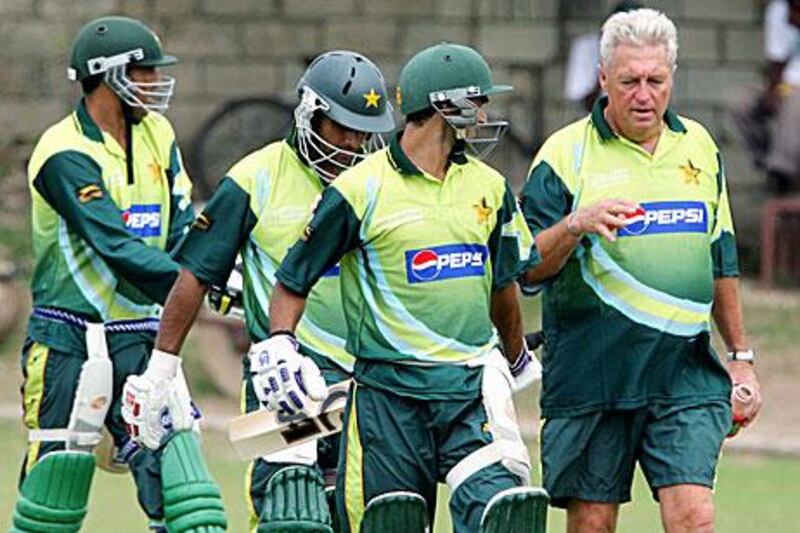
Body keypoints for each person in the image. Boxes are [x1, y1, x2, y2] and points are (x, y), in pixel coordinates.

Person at [263, 42, 546, 533]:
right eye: (479, 101)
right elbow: (293, 281)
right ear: (445, 106)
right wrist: (282, 345)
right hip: (387, 399)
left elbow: (503, 286)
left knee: (505, 515)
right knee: (391, 522)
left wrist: (516, 356)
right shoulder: (358, 190)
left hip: (466, 391)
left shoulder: (490, 187)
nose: (486, 113)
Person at [122, 50, 396, 532]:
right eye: (342, 129)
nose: (352, 144)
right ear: (310, 113)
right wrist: (162, 367)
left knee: (367, 516)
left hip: (370, 382)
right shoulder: (255, 178)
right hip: (285, 382)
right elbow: (195, 275)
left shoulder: (378, 182)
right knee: (291, 515)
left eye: (362, 132)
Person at [521, 8, 762, 532]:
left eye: (656, 80)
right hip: (592, 376)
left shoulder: (698, 146)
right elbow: (526, 268)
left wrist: (740, 357)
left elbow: (720, 257)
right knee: (592, 524)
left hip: (683, 373)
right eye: (629, 82)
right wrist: (575, 225)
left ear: (672, 77)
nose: (644, 95)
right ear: (603, 78)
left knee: (694, 516)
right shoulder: (563, 156)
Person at [11, 15, 226, 533]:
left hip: (142, 336)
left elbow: (181, 228)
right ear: (108, 76)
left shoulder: (158, 133)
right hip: (68, 337)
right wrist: (196, 285)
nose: (155, 82)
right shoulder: (63, 151)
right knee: (53, 492)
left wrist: (216, 269)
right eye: (145, 72)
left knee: (184, 488)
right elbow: (114, 245)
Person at [729, 0, 800, 194]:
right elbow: (776, 61)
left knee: (796, 103)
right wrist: (772, 93)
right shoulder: (778, 11)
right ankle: (767, 162)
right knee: (740, 102)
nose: (791, 17)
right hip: (786, 83)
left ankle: (782, 171)